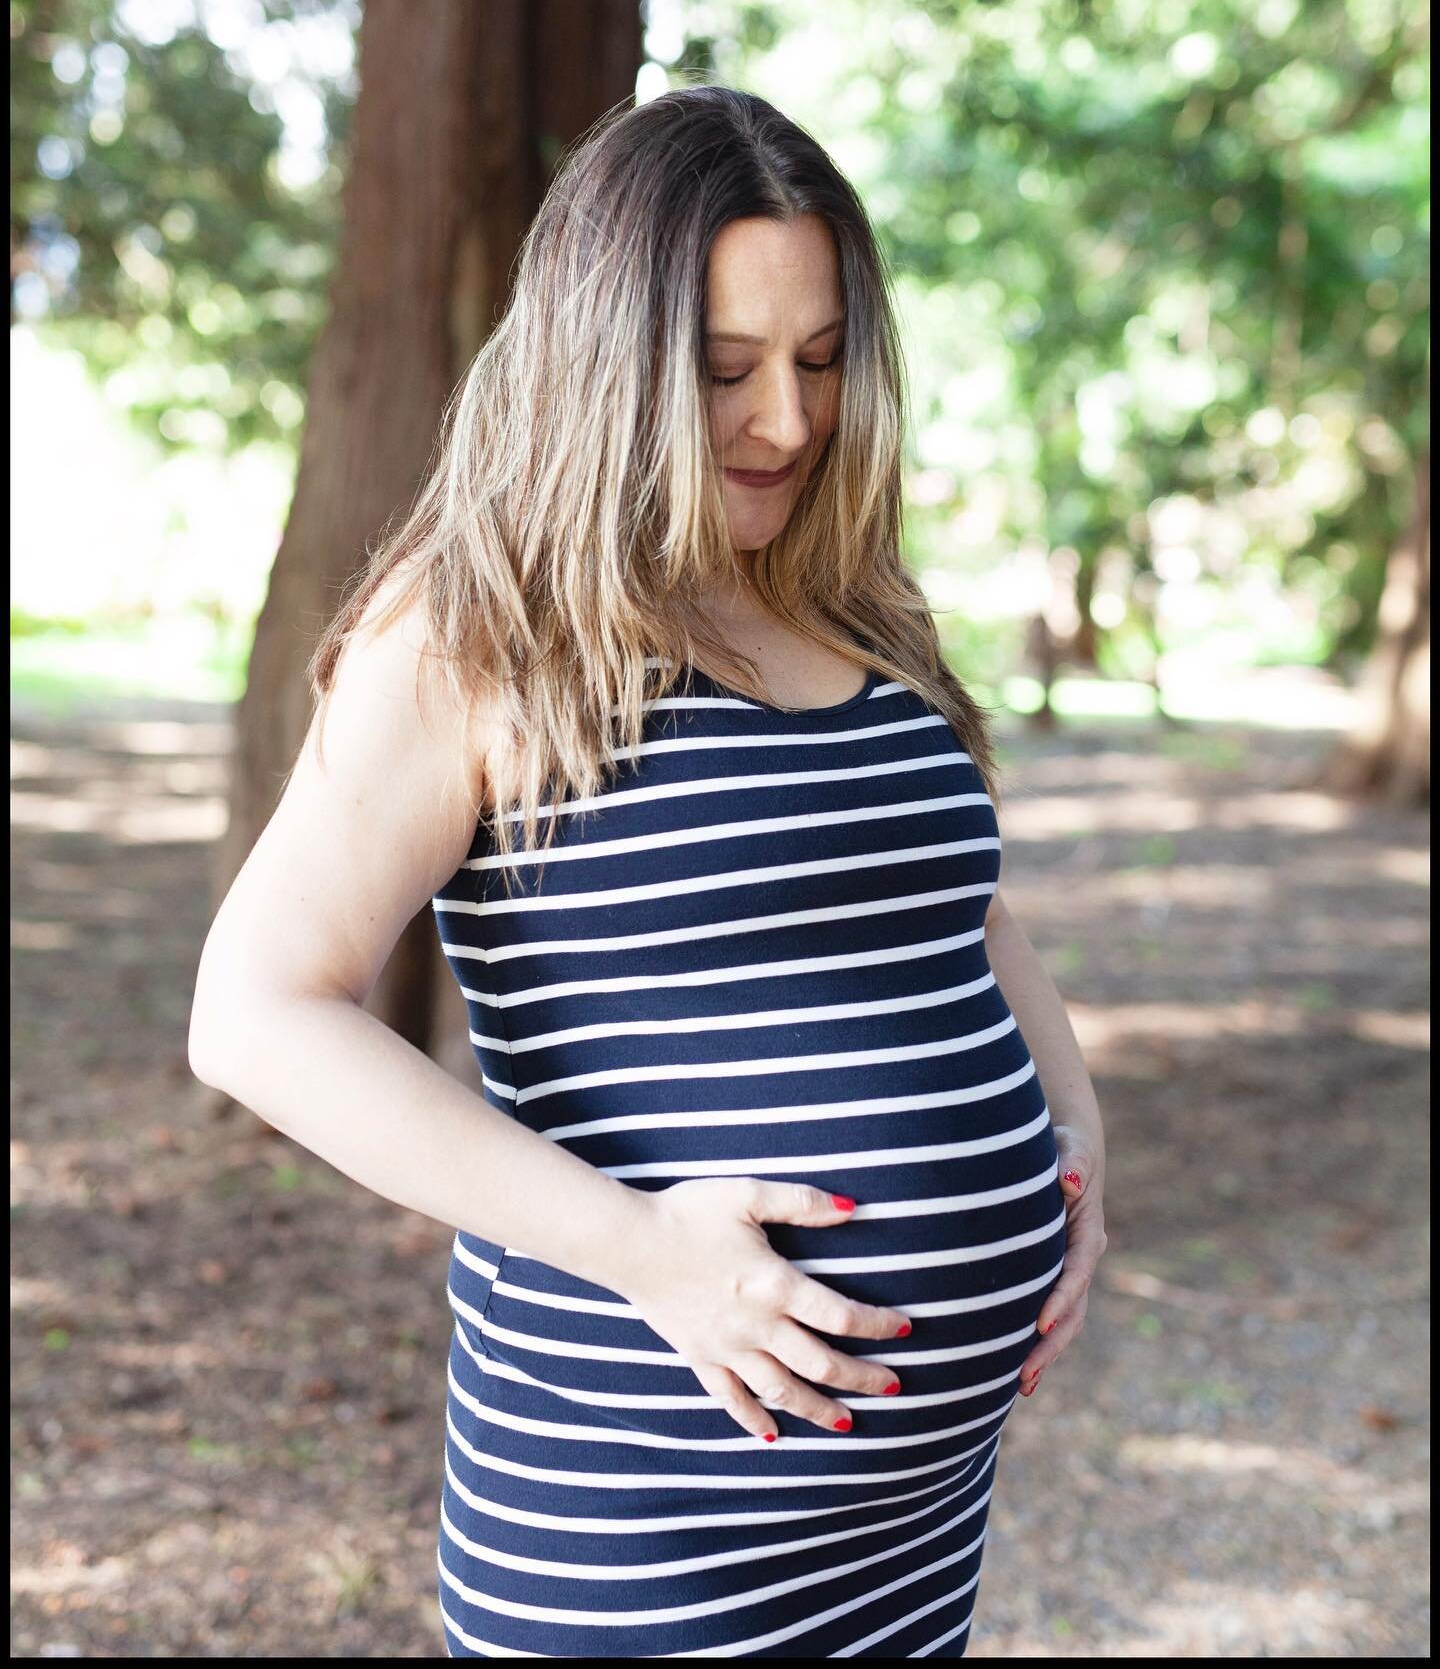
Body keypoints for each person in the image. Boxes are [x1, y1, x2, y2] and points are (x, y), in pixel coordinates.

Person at [189, 82, 1108, 1659]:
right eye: (726, 369)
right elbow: (257, 1011)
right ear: (605, 360)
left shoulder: (852, 602)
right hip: (643, 1537)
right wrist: (643, 1253)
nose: (788, 421)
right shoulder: (481, 630)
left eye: (821, 361)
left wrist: (1070, 1136)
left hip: (911, 1541)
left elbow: (953, 909)